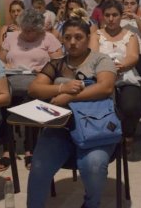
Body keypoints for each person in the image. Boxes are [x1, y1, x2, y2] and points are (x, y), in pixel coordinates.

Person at [27, 19, 118, 208]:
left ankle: (90, 205)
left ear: (88, 38)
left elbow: (106, 87)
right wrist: (62, 87)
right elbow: (34, 89)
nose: (73, 42)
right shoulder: (56, 64)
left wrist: (69, 97)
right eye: (67, 37)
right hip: (59, 129)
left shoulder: (100, 60)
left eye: (78, 37)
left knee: (93, 166)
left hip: (95, 127)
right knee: (38, 167)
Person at [0, 8, 63, 171]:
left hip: (38, 80)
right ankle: (7, 149)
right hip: (12, 78)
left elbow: (59, 63)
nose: (27, 34)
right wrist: (6, 65)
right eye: (25, 30)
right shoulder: (12, 37)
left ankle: (30, 148)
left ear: (40, 28)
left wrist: (43, 70)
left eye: (32, 31)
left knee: (31, 99)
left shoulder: (49, 38)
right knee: (3, 99)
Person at [89, 0, 141, 148]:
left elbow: (133, 56)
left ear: (121, 16)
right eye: (107, 15)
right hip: (102, 75)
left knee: (130, 105)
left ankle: (128, 134)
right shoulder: (96, 35)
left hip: (126, 74)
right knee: (100, 103)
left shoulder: (130, 35)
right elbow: (94, 55)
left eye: (115, 15)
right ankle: (104, 133)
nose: (111, 19)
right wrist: (108, 67)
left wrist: (121, 65)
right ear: (103, 17)